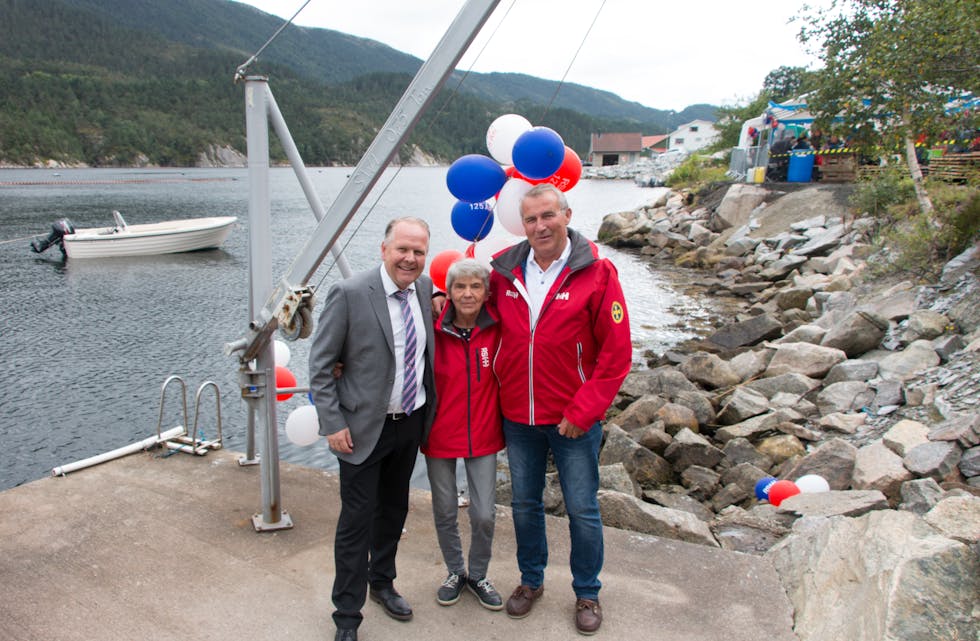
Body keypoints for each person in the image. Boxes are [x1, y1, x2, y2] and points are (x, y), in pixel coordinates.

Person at [489, 183, 632, 635]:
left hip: (573, 420)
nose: (540, 226)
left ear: (566, 215)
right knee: (525, 505)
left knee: (582, 509)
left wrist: (584, 409)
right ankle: (531, 581)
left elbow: (616, 353)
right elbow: (470, 310)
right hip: (518, 417)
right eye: (530, 219)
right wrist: (439, 300)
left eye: (548, 215)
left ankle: (587, 590)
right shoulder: (503, 271)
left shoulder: (598, 272)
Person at [309, 217, 437, 641]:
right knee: (355, 523)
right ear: (384, 250)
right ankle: (347, 615)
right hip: (362, 429)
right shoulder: (348, 294)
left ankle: (382, 582)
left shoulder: (423, 288)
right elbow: (321, 366)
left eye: (419, 251)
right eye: (403, 249)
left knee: (393, 511)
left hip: (409, 423)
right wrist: (332, 422)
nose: (410, 258)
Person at [422, 258, 505, 611]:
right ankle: (455, 571)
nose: (467, 293)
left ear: (487, 293)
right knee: (444, 510)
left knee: (484, 513)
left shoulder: (499, 327)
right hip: (439, 433)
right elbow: (405, 287)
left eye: (475, 286)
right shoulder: (431, 327)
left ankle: (479, 574)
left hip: (484, 433)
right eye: (459, 287)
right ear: (449, 292)